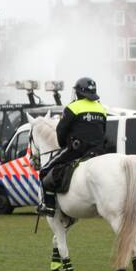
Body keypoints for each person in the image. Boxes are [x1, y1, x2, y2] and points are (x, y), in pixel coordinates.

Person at [37, 77, 107, 217]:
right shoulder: (101, 108)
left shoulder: (73, 107)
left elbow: (61, 131)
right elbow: (103, 131)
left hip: (77, 150)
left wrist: (64, 145)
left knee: (44, 170)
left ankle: (49, 206)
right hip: (98, 151)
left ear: (79, 93)